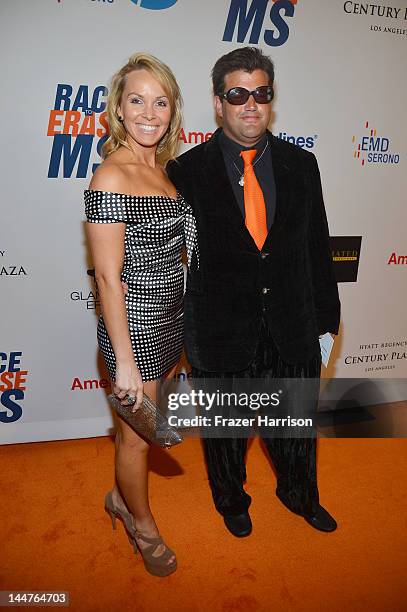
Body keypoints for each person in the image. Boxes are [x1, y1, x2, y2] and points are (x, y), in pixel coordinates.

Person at [167, 46, 340, 537]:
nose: (250, 104)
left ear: (271, 99)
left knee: (296, 429)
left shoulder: (301, 165)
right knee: (225, 433)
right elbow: (170, 262)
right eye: (238, 93)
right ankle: (231, 500)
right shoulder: (185, 172)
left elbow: (317, 247)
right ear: (218, 102)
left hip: (292, 322)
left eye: (260, 93)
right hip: (222, 329)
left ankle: (299, 493)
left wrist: (327, 321)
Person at [84, 52, 197, 576]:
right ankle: (140, 524)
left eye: (161, 101)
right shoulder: (111, 176)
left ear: (172, 111)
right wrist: (125, 362)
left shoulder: (163, 170)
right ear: (119, 109)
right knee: (135, 435)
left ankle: (119, 496)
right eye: (137, 100)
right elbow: (109, 277)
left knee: (149, 431)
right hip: (135, 331)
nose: (149, 112)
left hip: (170, 323)